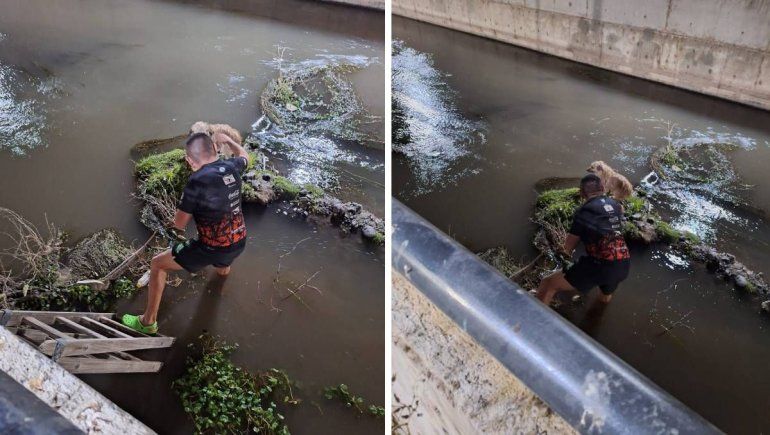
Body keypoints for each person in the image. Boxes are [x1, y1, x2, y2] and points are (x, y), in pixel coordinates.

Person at [122, 131, 251, 334]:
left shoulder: (196, 181)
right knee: (223, 265)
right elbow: (244, 155)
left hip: (210, 248)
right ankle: (218, 288)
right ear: (215, 150)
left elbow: (179, 225)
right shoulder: (232, 166)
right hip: (239, 240)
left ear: (190, 160)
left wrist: (172, 232)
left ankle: (147, 323)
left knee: (157, 264)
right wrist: (229, 141)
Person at [536, 173, 630, 306]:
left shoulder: (583, 211)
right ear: (602, 188)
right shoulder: (616, 205)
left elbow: (567, 248)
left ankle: (534, 321)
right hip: (623, 263)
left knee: (549, 283)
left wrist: (560, 254)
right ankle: (594, 319)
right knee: (604, 296)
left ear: (581, 193)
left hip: (599, 265)